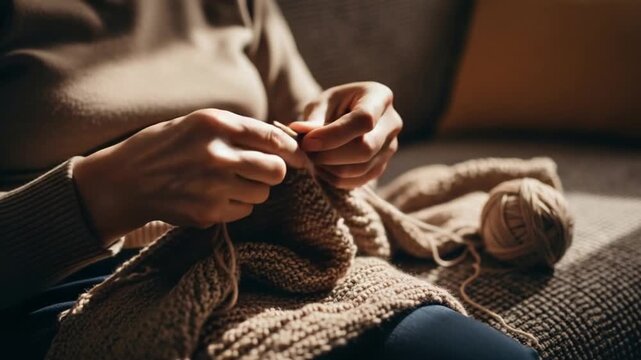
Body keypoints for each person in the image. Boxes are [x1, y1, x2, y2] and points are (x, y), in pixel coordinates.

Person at [0, 0, 538, 359]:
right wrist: (108, 191)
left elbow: (308, 117)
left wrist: (350, 142)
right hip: (70, 291)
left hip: (266, 246)